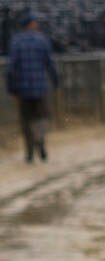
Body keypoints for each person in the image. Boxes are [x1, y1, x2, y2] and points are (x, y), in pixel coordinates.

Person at [10, 13, 56, 162]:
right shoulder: (42, 40)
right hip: (40, 87)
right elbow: (50, 63)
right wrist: (56, 81)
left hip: (22, 89)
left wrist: (12, 88)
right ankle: (40, 139)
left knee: (26, 120)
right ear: (31, 24)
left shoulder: (16, 42)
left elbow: (11, 68)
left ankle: (29, 153)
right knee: (42, 117)